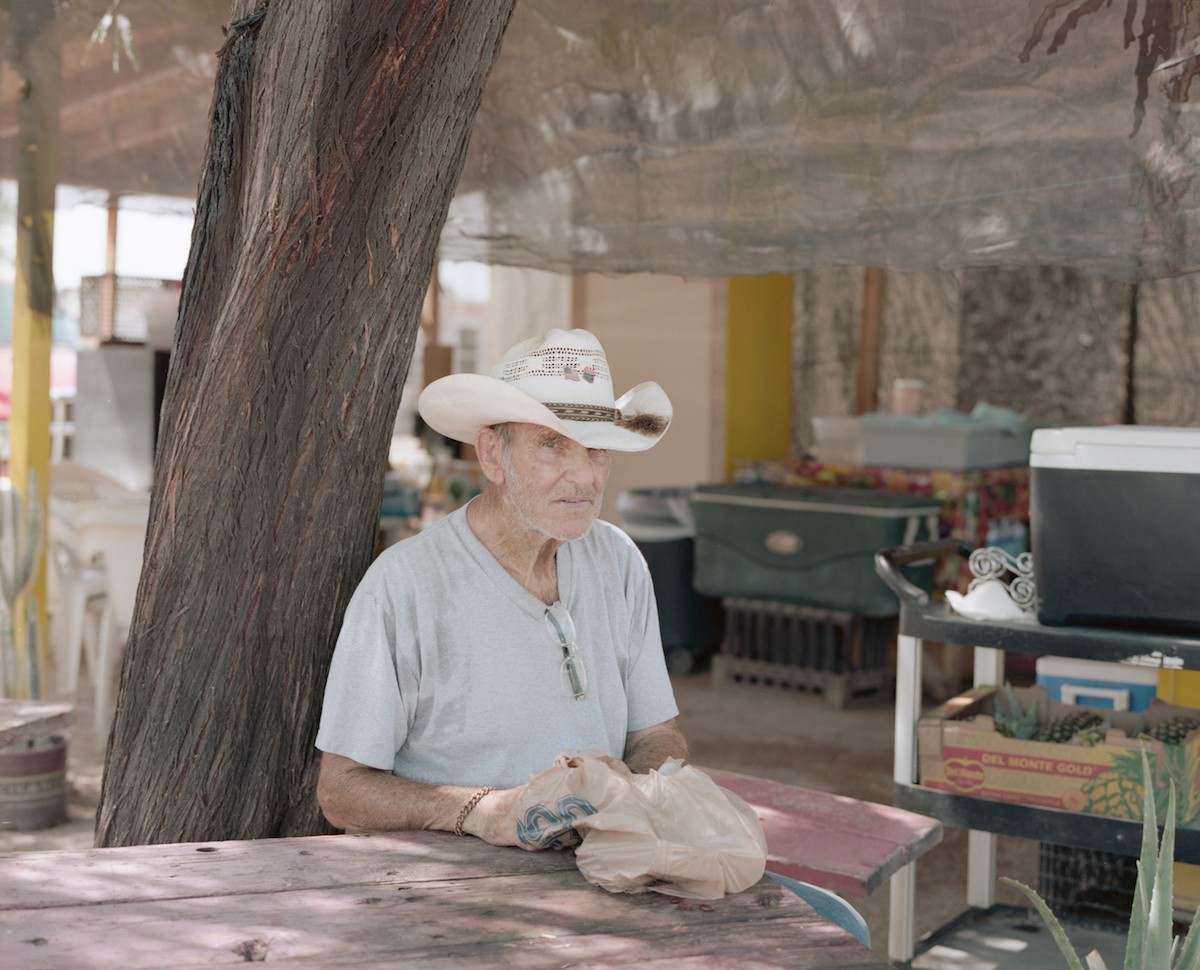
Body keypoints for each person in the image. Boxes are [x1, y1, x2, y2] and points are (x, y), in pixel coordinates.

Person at [315, 327, 689, 848]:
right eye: (552, 445)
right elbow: (342, 791)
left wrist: (623, 786)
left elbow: (658, 735)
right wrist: (481, 811)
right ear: (492, 454)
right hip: (452, 888)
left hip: (600, 871)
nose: (584, 476)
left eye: (597, 449)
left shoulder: (618, 560)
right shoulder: (406, 585)